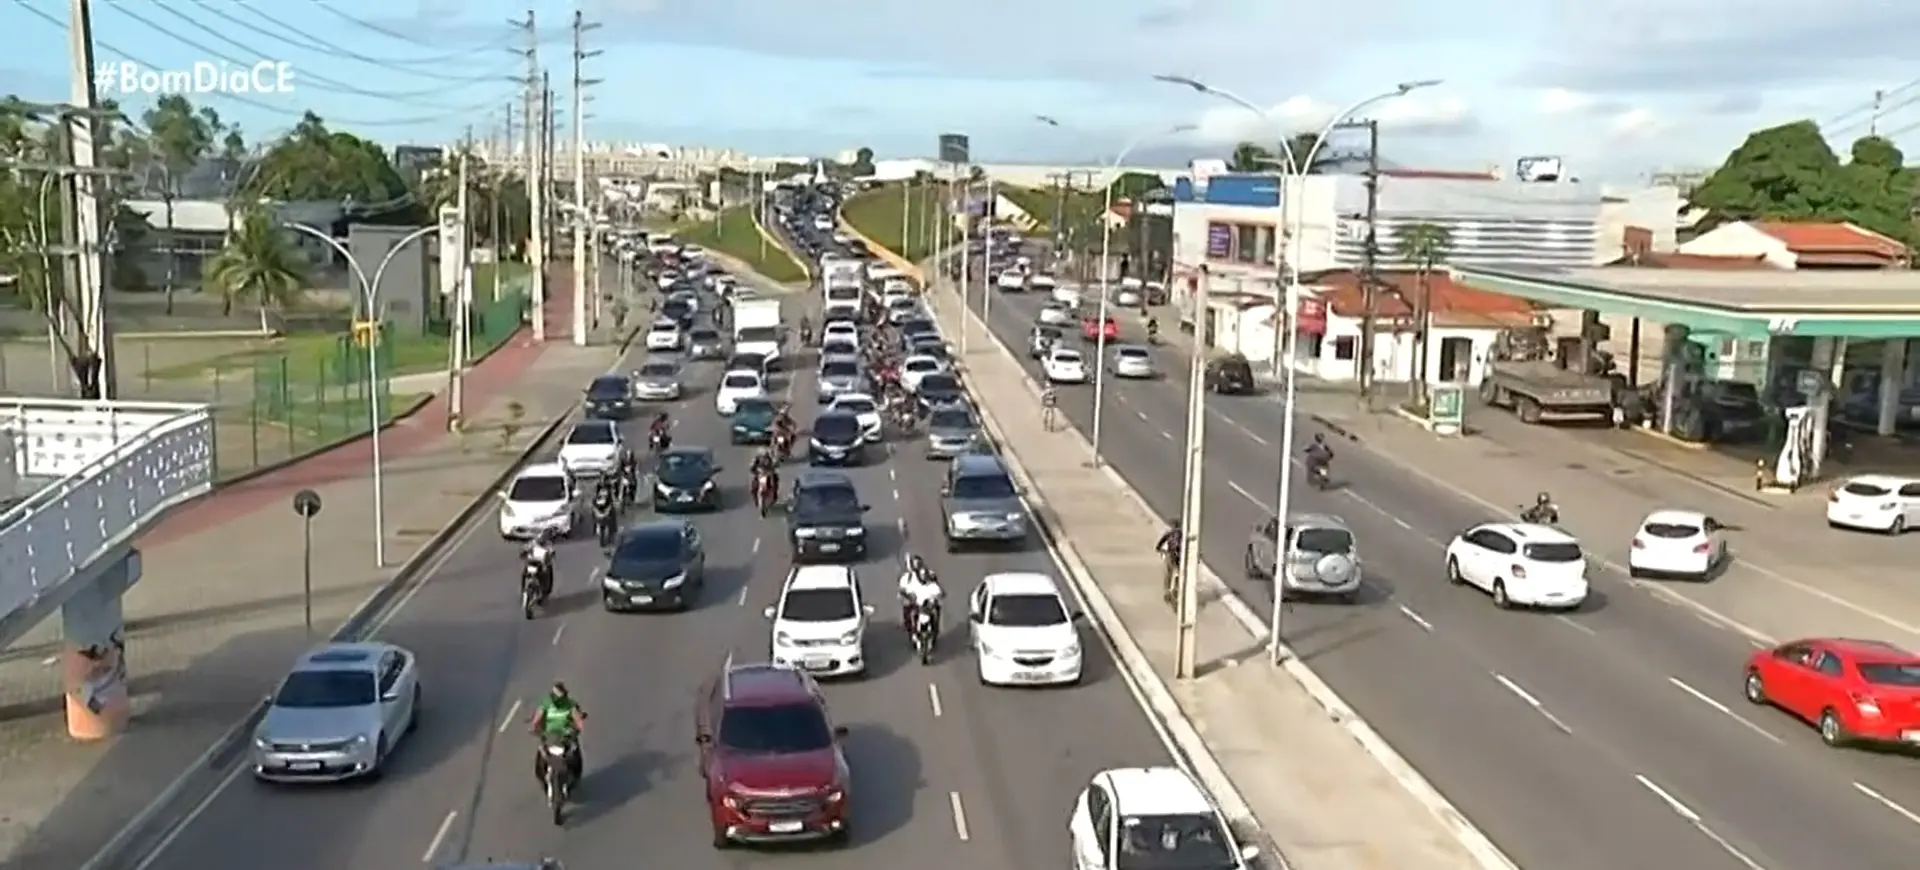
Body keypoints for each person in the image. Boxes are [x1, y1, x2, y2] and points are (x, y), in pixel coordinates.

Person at [527, 682, 586, 784]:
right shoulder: (546, 703)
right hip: (550, 736)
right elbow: (537, 717)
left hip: (566, 737)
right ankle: (543, 776)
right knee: (541, 755)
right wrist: (535, 727)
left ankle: (574, 775)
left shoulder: (570, 704)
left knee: (575, 754)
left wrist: (577, 729)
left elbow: (578, 719)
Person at [897, 555, 945, 631]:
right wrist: (906, 596)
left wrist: (938, 595)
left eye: (919, 564)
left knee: (935, 610)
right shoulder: (907, 577)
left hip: (928, 604)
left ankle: (935, 628)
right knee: (909, 612)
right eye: (915, 564)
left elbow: (936, 586)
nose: (917, 566)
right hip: (915, 603)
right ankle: (911, 628)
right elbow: (902, 590)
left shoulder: (928, 574)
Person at [521, 530, 556, 601]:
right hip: (533, 562)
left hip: (542, 563)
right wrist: (523, 553)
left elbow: (552, 552)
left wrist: (550, 555)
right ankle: (523, 589)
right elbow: (525, 549)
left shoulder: (548, 544)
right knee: (524, 573)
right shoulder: (533, 543)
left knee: (547, 573)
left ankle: (545, 590)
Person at [1155, 523, 1183, 600]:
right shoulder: (1183, 534)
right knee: (1180, 572)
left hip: (1172, 555)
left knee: (1169, 573)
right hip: (1180, 556)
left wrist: (1158, 548)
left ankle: (1168, 591)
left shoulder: (1170, 533)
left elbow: (1161, 542)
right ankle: (1177, 588)